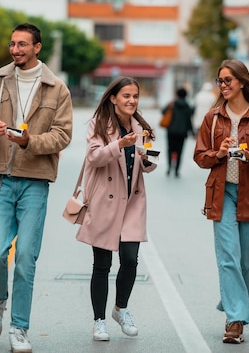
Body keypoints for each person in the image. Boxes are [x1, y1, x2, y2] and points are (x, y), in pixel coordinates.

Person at [0, 23, 73, 353]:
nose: (15, 49)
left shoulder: (57, 89)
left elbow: (63, 135)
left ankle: (20, 327)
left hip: (35, 181)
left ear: (37, 47)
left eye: (22, 44)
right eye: (12, 43)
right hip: (0, 177)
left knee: (26, 258)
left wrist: (32, 141)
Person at [193, 59, 249, 344]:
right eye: (220, 80)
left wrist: (248, 156)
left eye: (228, 80)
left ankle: (234, 305)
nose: (223, 85)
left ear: (242, 81)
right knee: (228, 257)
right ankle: (235, 319)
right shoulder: (213, 117)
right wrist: (219, 153)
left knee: (245, 261)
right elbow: (200, 157)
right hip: (223, 193)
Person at [74, 76, 157, 342]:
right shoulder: (100, 125)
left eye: (135, 96)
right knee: (102, 264)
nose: (132, 101)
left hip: (132, 202)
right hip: (105, 202)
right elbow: (94, 158)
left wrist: (146, 158)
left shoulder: (141, 126)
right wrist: (119, 145)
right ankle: (99, 320)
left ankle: (121, 309)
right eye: (126, 96)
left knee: (130, 260)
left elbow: (150, 163)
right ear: (113, 98)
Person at [163, 87, 194, 177]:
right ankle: (176, 170)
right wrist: (191, 132)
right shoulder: (187, 106)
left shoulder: (172, 104)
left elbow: (163, 112)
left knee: (170, 149)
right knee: (179, 151)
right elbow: (189, 120)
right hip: (182, 132)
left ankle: (169, 168)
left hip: (171, 131)